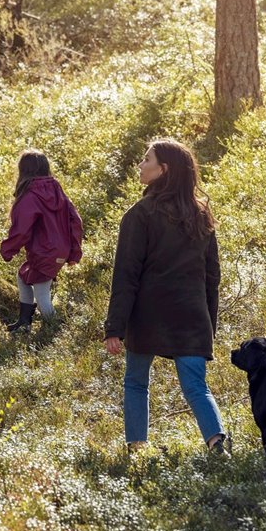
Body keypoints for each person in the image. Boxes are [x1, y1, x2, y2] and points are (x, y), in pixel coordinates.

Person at [103, 139, 230, 455]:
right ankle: (217, 443)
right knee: (197, 387)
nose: (141, 165)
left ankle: (137, 448)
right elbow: (211, 277)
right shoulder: (201, 215)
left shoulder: (140, 214)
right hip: (190, 315)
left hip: (148, 315)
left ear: (164, 170)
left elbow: (126, 275)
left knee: (135, 382)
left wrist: (115, 327)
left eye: (147, 159)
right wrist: (208, 326)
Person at [0, 150, 84, 333]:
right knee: (23, 277)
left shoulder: (29, 196)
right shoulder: (57, 190)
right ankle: (24, 321)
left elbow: (21, 229)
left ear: (23, 171)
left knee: (42, 293)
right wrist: (74, 251)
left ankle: (54, 332)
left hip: (44, 251)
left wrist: (8, 249)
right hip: (58, 250)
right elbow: (75, 220)